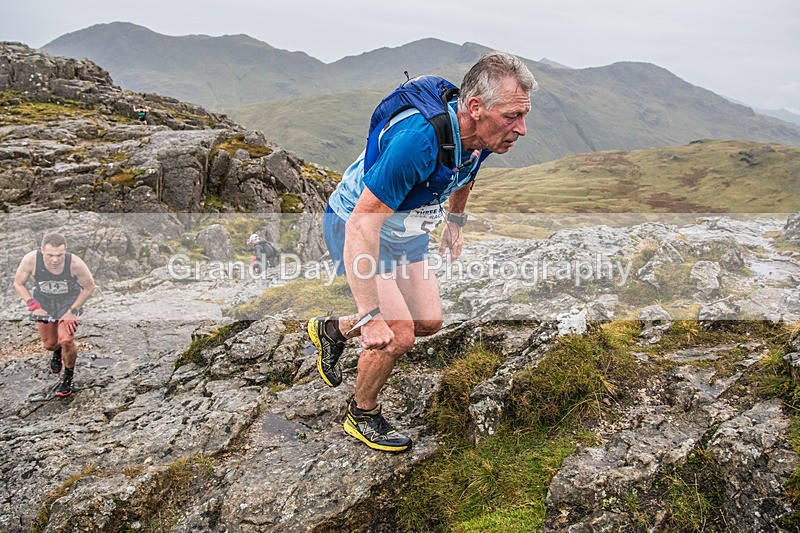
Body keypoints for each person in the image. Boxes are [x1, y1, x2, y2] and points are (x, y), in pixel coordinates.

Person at [307, 52, 537, 452]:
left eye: (524, 115)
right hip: (356, 224)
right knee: (398, 334)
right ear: (475, 107)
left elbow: (467, 170)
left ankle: (333, 330)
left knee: (428, 321)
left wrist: (455, 221)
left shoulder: (482, 136)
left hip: (405, 228)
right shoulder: (418, 141)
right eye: (512, 116)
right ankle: (362, 414)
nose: (522, 128)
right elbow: (362, 225)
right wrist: (371, 315)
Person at [13, 232, 96, 397]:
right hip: (43, 301)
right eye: (50, 255)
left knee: (66, 340)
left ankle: (68, 378)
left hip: (68, 301)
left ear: (65, 251)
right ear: (42, 250)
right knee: (50, 344)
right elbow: (18, 283)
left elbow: (89, 287)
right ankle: (56, 353)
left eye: (60, 255)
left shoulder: (75, 263)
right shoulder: (31, 260)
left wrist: (72, 311)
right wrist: (33, 305)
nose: (55, 260)